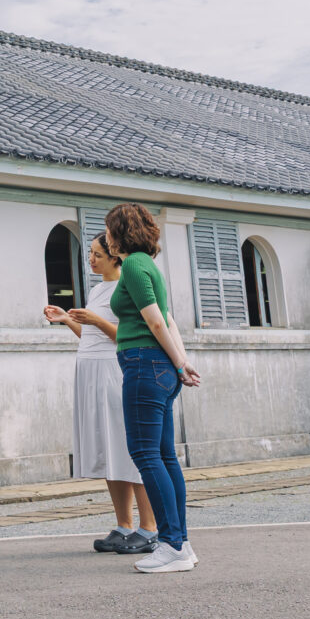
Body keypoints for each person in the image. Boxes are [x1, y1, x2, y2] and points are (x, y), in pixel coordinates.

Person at [43, 233, 156, 555]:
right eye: (90, 254)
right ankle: (124, 525)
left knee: (127, 447)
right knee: (108, 450)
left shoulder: (128, 287)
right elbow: (91, 337)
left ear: (116, 257)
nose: (90, 259)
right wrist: (68, 320)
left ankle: (149, 528)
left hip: (114, 371)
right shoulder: (96, 289)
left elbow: (131, 335)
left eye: (97, 255)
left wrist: (95, 319)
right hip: (90, 370)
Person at [103, 202, 201, 574]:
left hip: (144, 364)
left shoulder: (131, 266)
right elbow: (169, 319)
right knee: (164, 456)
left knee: (145, 454)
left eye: (109, 230)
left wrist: (180, 362)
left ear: (118, 233)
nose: (107, 237)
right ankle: (182, 543)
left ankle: (172, 545)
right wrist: (182, 362)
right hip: (159, 367)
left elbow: (156, 321)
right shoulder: (149, 266)